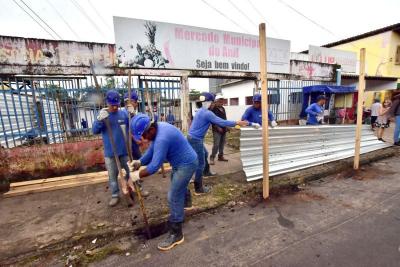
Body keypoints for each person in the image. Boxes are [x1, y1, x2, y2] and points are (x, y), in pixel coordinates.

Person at [128, 114, 198, 251]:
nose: (144, 139)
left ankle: (177, 233)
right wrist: (140, 162)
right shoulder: (158, 128)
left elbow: (154, 166)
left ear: (151, 130)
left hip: (187, 164)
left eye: (144, 136)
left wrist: (137, 175)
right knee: (177, 184)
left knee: (173, 196)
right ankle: (187, 202)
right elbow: (151, 152)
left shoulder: (161, 138)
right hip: (182, 162)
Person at [187, 92, 248, 195]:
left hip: (194, 138)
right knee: (200, 164)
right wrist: (237, 122)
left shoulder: (200, 111)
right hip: (195, 139)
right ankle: (198, 188)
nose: (214, 104)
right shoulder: (208, 113)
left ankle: (206, 173)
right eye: (213, 102)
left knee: (205, 154)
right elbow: (221, 122)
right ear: (209, 102)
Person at [92, 90, 130, 207]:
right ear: (107, 103)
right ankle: (115, 195)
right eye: (112, 105)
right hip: (110, 153)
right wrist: (99, 120)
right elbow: (94, 131)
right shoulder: (104, 115)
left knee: (131, 171)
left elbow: (130, 127)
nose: (115, 107)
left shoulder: (123, 114)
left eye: (117, 105)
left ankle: (134, 187)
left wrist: (132, 115)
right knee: (112, 176)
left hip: (124, 151)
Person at [210, 94, 229, 165]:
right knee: (216, 144)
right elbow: (212, 120)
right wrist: (218, 127)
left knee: (222, 144)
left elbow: (225, 119)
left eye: (222, 100)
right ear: (216, 101)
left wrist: (226, 126)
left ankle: (220, 156)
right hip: (216, 130)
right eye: (220, 101)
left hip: (223, 129)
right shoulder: (213, 109)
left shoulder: (223, 108)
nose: (221, 102)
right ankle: (212, 158)